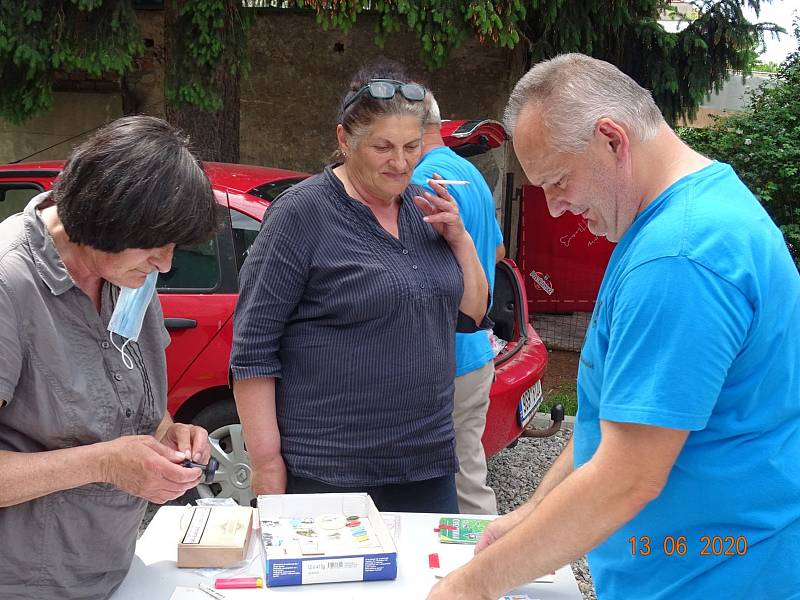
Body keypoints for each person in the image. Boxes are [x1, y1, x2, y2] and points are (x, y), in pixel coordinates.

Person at [428, 53, 800, 599]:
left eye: (557, 181)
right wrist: (529, 518)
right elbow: (610, 421)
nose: (554, 210)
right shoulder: (682, 219)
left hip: (714, 576)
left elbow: (627, 476)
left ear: (611, 140)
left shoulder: (680, 257)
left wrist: (474, 586)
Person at [230, 60, 489, 513]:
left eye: (411, 146)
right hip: (329, 470)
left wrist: (461, 241)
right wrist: (267, 463)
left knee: (426, 585)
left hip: (426, 462)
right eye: (383, 147)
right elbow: (252, 350)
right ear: (344, 140)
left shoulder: (422, 208)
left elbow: (470, 315)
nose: (401, 161)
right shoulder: (300, 215)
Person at [0, 116, 219, 600]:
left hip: (112, 571)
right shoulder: (8, 284)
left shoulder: (125, 272)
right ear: (101, 216)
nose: (164, 264)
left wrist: (169, 433)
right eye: (154, 246)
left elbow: (127, 394)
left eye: (173, 247)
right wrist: (103, 464)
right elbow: (103, 455)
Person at [411, 92, 504, 515]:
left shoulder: (424, 182)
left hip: (446, 353)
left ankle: (486, 570)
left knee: (459, 487)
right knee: (468, 469)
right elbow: (498, 253)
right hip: (477, 352)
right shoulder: (470, 172)